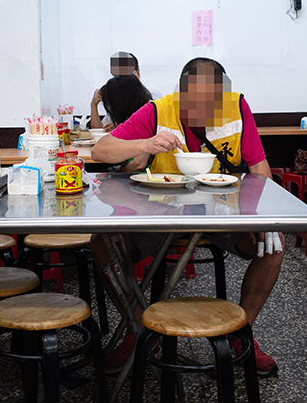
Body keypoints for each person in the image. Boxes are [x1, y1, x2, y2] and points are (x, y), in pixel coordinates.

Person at [91, 57, 284, 375]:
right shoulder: (158, 110)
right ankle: (137, 327)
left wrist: (263, 217)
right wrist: (146, 143)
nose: (206, 111)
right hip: (160, 211)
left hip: (224, 212)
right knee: (101, 244)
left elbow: (260, 171)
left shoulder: (236, 109)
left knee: (274, 247)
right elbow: (102, 151)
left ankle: (241, 332)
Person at [90, 51, 151, 129]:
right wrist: (93, 105)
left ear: (137, 73)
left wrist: (119, 129)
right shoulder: (117, 93)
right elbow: (99, 131)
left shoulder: (150, 102)